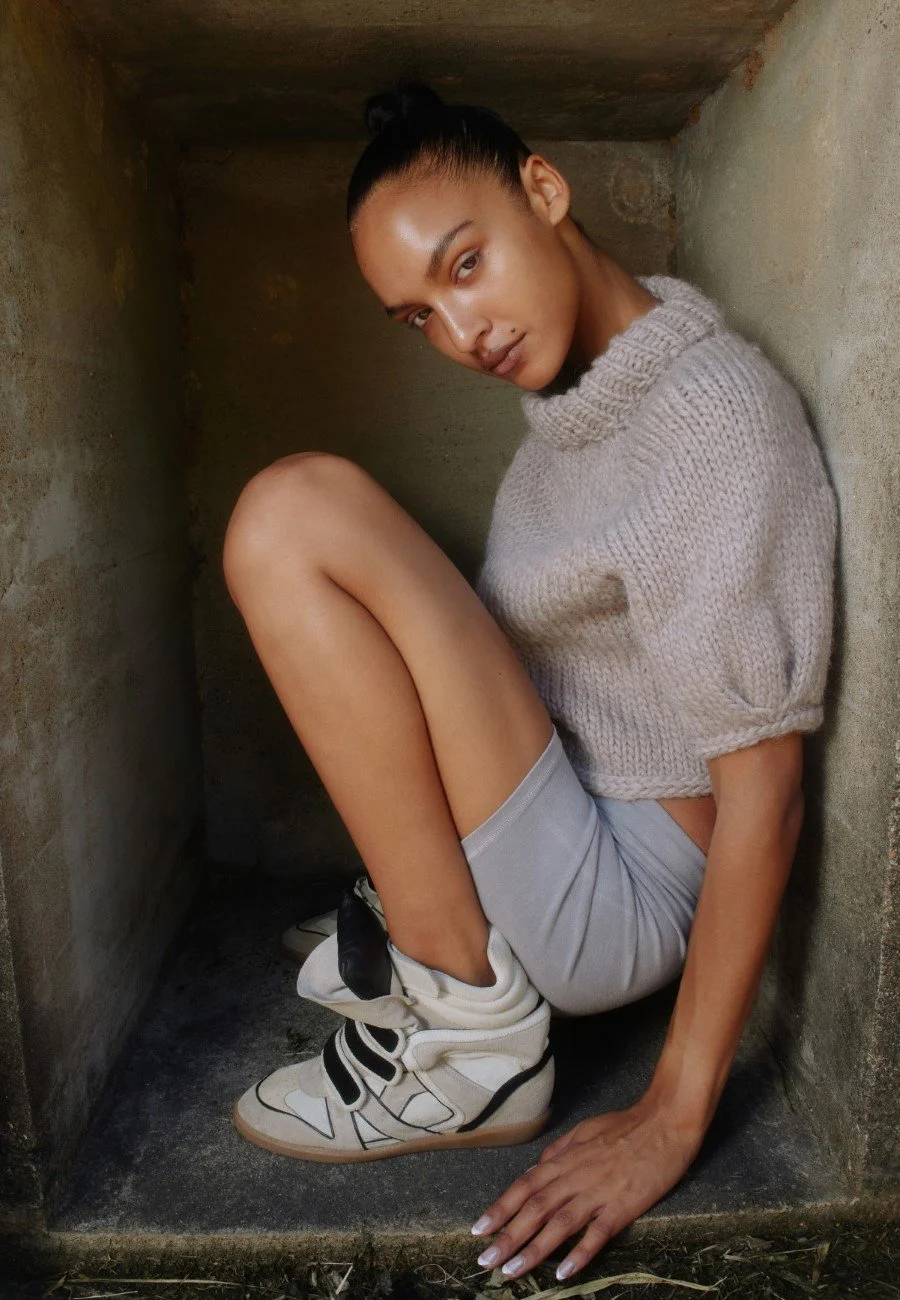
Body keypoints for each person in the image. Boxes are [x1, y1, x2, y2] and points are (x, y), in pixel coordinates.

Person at [221, 80, 838, 1282]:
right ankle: (436, 911)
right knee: (317, 530)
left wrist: (672, 1112)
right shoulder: (574, 404)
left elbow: (769, 793)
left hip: (629, 893)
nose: (463, 334)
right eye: (418, 317)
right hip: (570, 811)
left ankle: (469, 1030)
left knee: (294, 509)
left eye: (466, 265)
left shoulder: (712, 418)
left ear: (544, 192)